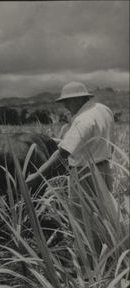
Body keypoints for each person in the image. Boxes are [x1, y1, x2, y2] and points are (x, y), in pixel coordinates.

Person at [26, 81, 115, 250]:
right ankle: (107, 254)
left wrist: (36, 176)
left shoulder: (83, 120)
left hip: (84, 174)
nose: (65, 106)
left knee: (83, 221)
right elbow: (103, 140)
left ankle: (88, 267)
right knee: (103, 216)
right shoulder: (103, 109)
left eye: (67, 102)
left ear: (78, 99)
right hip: (104, 168)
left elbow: (62, 154)